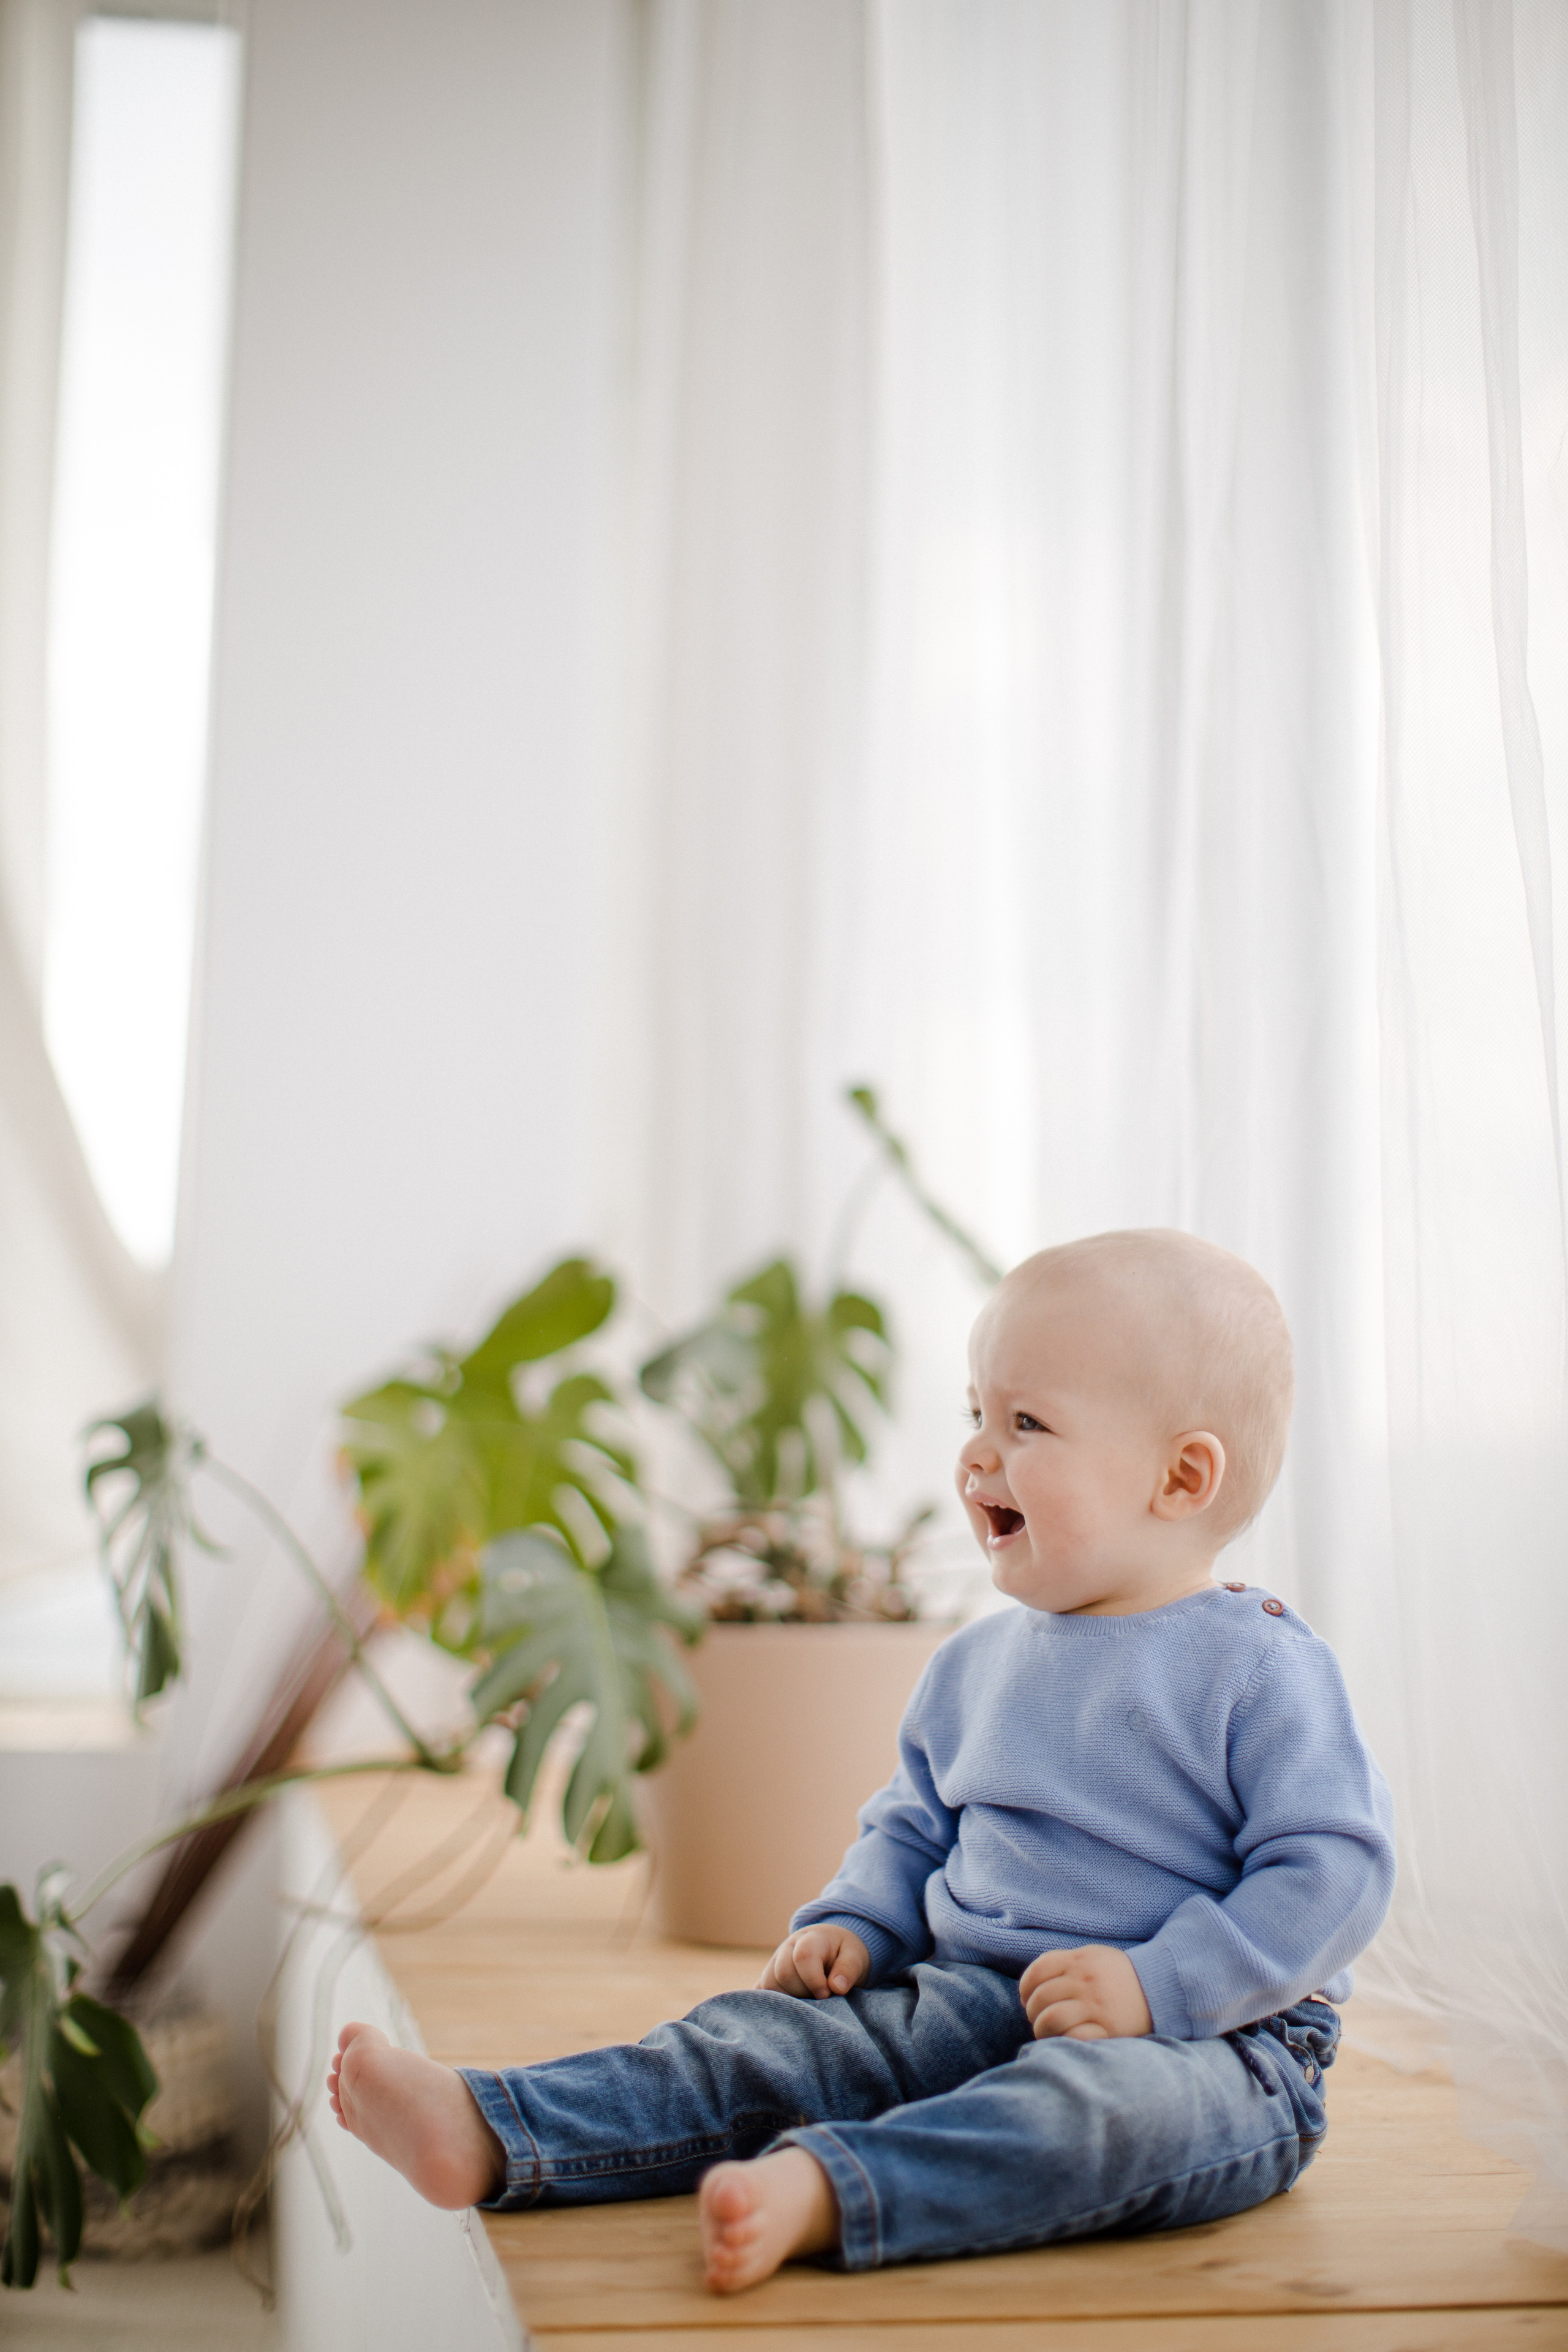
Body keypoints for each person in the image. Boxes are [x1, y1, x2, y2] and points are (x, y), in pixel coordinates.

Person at [328, 1229, 1395, 2294]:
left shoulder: (1257, 1665)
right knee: (761, 2044)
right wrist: (857, 1923)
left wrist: (1159, 1985)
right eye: (976, 1414)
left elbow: (1334, 1874)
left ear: (1182, 1475)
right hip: (969, 1996)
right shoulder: (974, 1664)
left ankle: (838, 2189)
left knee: (1096, 2120)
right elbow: (912, 1826)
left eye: (1027, 1422)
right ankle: (500, 2128)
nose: (979, 1453)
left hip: (1217, 2044)